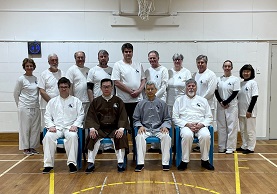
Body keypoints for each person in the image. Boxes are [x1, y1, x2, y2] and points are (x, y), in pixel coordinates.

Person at [84, 78, 130, 173]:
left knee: (121, 137)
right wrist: (92, 128)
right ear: (100, 88)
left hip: (114, 128)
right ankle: (91, 163)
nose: (106, 89)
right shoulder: (96, 102)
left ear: (112, 88)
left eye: (108, 87)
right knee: (92, 136)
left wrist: (121, 129)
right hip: (100, 128)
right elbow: (91, 116)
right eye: (104, 87)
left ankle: (120, 162)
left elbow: (123, 116)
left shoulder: (118, 101)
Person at [42, 77, 84, 174]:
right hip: (57, 128)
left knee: (73, 137)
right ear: (58, 88)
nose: (63, 89)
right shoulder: (53, 101)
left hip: (70, 127)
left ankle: (72, 164)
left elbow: (81, 115)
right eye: (61, 87)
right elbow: (47, 115)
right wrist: (50, 126)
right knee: (48, 137)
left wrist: (76, 125)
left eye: (65, 87)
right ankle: (48, 165)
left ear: (69, 88)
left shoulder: (76, 101)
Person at [172, 79, 214, 171]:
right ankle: (184, 161)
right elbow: (175, 118)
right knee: (187, 135)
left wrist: (201, 124)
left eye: (193, 86)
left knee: (206, 135)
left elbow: (209, 117)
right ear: (186, 88)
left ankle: (205, 160)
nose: (191, 88)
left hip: (200, 125)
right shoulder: (179, 100)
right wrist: (187, 124)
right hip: (186, 125)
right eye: (189, 86)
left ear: (196, 88)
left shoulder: (203, 100)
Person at [111, 43, 146, 151]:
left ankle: (137, 150)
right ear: (123, 53)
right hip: (123, 101)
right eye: (126, 51)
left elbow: (143, 79)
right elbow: (116, 82)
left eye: (130, 51)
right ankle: (124, 150)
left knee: (136, 125)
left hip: (137, 101)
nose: (128, 53)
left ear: (132, 52)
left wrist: (139, 90)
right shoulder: (118, 65)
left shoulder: (138, 64)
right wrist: (131, 91)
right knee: (122, 126)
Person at [133, 81, 172, 172]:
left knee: (166, 137)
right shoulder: (140, 104)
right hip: (145, 129)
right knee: (139, 137)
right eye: (148, 89)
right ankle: (140, 163)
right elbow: (136, 119)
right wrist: (139, 126)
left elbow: (167, 118)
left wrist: (165, 126)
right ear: (145, 91)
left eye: (152, 89)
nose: (150, 91)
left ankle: (165, 163)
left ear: (156, 90)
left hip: (159, 129)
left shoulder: (162, 103)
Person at [87, 50, 114, 153]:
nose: (103, 58)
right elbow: (89, 88)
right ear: (98, 58)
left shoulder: (112, 70)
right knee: (98, 124)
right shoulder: (93, 71)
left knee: (109, 122)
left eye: (105, 56)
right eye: (101, 56)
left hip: (110, 101)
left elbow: (114, 87)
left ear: (108, 58)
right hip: (97, 102)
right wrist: (92, 102)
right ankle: (98, 147)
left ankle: (108, 147)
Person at [14, 58, 41, 155]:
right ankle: (26, 148)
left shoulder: (36, 79)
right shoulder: (21, 79)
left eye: (31, 66)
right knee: (25, 128)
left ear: (34, 67)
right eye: (27, 66)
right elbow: (16, 94)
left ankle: (32, 147)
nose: (29, 67)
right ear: (24, 67)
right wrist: (20, 106)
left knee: (35, 128)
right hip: (24, 107)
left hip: (35, 106)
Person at [145, 50, 169, 153]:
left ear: (158, 58)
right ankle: (154, 146)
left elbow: (164, 86)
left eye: (154, 58)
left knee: (160, 120)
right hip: (149, 99)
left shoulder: (163, 70)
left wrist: (155, 96)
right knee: (151, 120)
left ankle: (161, 144)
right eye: (150, 58)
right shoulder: (147, 71)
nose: (152, 60)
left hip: (160, 99)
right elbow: (145, 86)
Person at [192, 55, 217, 152]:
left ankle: (208, 147)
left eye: (202, 62)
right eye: (198, 62)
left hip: (208, 105)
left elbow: (210, 91)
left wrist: (200, 101)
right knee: (198, 125)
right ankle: (199, 145)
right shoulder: (195, 75)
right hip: (196, 106)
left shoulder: (211, 75)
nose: (200, 64)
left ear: (206, 63)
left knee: (206, 126)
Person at [215, 60, 240, 154]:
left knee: (231, 127)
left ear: (231, 68)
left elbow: (235, 92)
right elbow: (216, 91)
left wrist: (226, 102)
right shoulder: (219, 79)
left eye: (229, 66)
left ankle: (230, 147)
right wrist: (221, 101)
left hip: (231, 106)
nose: (227, 68)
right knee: (221, 127)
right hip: (221, 106)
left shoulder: (235, 79)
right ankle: (221, 147)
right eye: (225, 66)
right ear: (223, 67)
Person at [38, 53, 64, 141]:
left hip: (60, 106)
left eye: (56, 60)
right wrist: (52, 102)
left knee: (59, 126)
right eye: (52, 60)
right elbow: (42, 91)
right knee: (48, 126)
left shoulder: (62, 73)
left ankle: (60, 147)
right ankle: (47, 146)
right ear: (48, 61)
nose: (54, 62)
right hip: (46, 105)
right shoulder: (44, 74)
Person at [237, 64, 258, 154]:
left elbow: (254, 97)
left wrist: (249, 110)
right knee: (243, 130)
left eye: (248, 71)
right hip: (241, 111)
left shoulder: (253, 83)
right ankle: (244, 145)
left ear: (251, 73)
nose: (246, 73)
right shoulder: (241, 84)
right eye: (244, 71)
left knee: (250, 130)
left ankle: (251, 147)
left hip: (249, 112)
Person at [66, 51, 90, 116]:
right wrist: (71, 100)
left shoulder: (88, 70)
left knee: (86, 121)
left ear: (85, 58)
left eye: (82, 57)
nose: (80, 59)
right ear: (75, 59)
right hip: (77, 101)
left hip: (88, 101)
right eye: (78, 57)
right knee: (78, 121)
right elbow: (69, 86)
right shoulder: (71, 70)